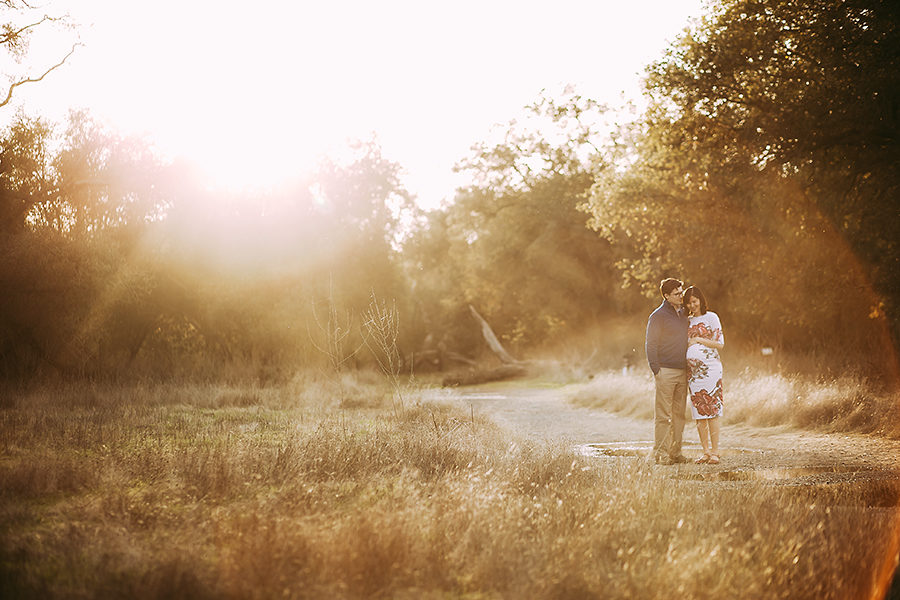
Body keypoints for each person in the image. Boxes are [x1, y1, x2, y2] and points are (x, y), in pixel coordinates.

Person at [645, 278, 689, 465]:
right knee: (663, 416)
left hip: (683, 371)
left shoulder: (685, 313)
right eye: (677, 294)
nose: (681, 296)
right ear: (666, 296)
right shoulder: (658, 316)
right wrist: (656, 369)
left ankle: (675, 453)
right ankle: (661, 454)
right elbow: (651, 343)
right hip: (665, 371)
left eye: (681, 292)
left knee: (679, 415)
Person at [683, 286, 725, 465]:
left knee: (713, 410)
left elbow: (720, 344)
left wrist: (698, 339)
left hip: (711, 370)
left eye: (694, 301)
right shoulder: (686, 321)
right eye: (688, 303)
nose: (692, 305)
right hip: (694, 374)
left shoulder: (711, 317)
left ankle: (715, 452)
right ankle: (705, 452)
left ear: (700, 300)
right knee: (699, 412)